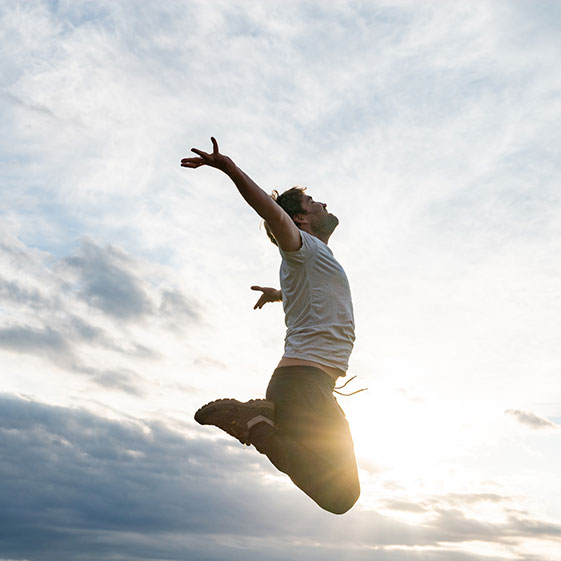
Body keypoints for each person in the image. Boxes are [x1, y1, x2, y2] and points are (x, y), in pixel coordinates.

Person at [181, 138, 360, 514]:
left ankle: (258, 423)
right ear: (300, 219)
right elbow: (273, 214)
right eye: (313, 203)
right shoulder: (301, 246)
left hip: (310, 385)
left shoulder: (313, 259)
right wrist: (230, 169)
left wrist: (280, 294)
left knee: (340, 489)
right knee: (340, 495)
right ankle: (254, 425)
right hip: (302, 385)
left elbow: (312, 296)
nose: (323, 204)